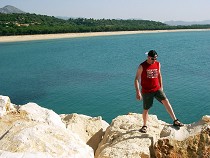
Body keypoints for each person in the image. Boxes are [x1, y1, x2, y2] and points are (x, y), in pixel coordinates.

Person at [134, 50, 184, 133]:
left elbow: (159, 75)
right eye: (153, 59)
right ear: (148, 57)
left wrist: (161, 87)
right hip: (147, 91)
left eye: (156, 58)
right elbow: (136, 79)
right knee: (146, 108)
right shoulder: (142, 66)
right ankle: (144, 126)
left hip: (157, 89)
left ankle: (175, 120)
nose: (154, 60)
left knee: (166, 101)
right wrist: (138, 91)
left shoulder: (157, 64)